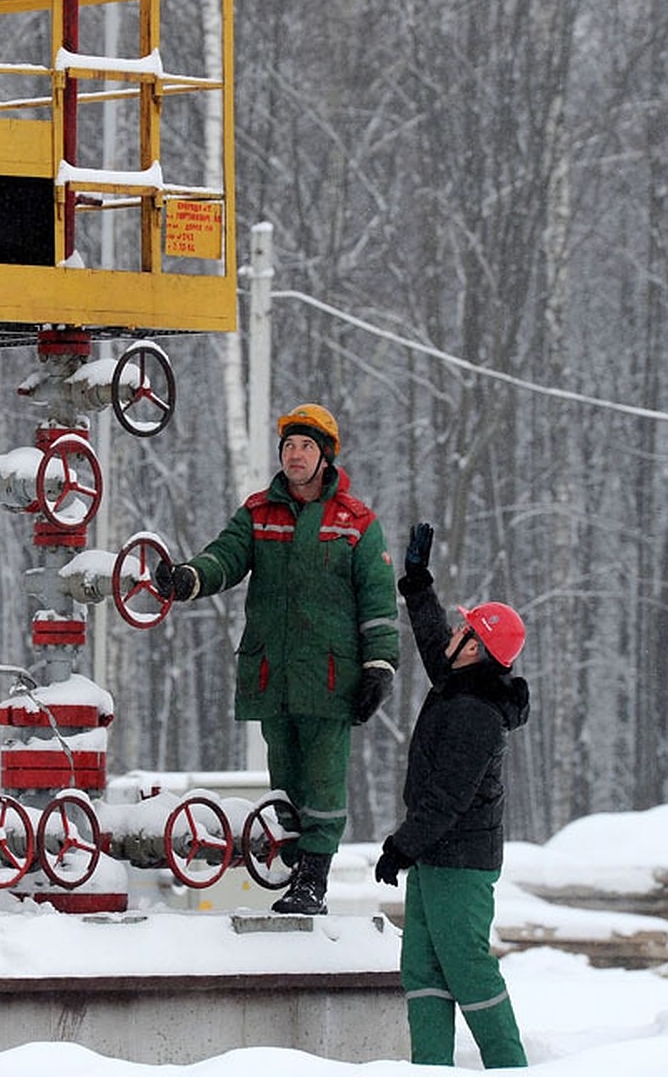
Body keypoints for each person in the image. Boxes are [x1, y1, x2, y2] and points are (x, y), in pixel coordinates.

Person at [156, 402, 399, 915]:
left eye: (306, 446)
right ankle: (291, 871)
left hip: (331, 679)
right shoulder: (258, 513)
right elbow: (225, 557)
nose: (295, 455)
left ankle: (314, 881)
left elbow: (378, 602)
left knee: (325, 782)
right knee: (285, 779)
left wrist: (380, 666)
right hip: (274, 675)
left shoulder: (355, 523)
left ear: (326, 457)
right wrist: (189, 578)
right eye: (289, 446)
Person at [375, 520, 530, 1068]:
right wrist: (418, 584)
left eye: (465, 631)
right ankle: (430, 1066)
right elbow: (433, 644)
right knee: (421, 968)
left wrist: (401, 845)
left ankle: (510, 1065)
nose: (454, 636)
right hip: (437, 856)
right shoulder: (464, 683)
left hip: (459, 861)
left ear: (478, 648)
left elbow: (447, 798)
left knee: (466, 965)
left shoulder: (476, 714)